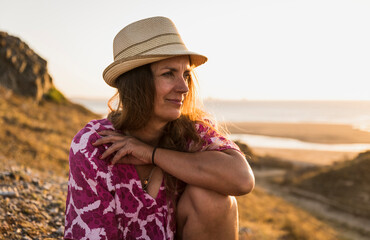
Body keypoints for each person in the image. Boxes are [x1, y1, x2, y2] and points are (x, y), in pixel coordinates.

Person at [64, 16, 254, 240]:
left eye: (185, 74)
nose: (184, 87)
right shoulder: (93, 144)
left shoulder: (191, 132)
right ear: (137, 83)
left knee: (212, 200)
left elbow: (242, 180)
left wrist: (152, 154)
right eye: (168, 74)